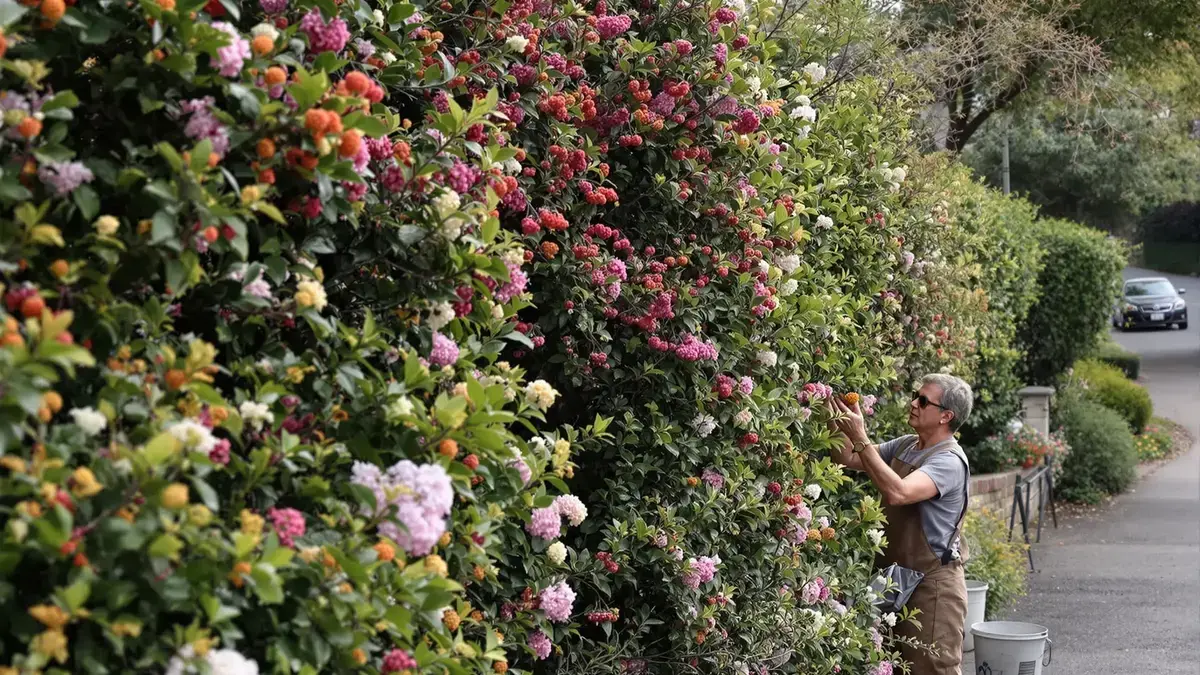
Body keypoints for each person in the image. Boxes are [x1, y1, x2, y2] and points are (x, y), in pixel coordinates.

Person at [830, 373, 973, 675]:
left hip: (931, 590)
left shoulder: (948, 461)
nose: (913, 403)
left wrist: (861, 436)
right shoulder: (908, 446)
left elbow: (898, 492)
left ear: (946, 416)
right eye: (915, 396)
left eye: (923, 400)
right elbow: (847, 457)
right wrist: (833, 414)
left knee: (931, 668)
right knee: (891, 667)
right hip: (893, 581)